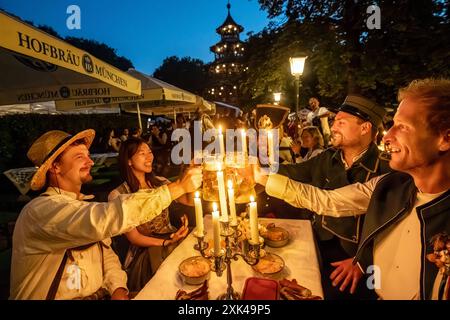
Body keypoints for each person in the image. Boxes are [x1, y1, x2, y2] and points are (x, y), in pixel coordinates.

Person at [255, 78, 450, 300]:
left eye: (403, 127)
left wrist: (360, 261)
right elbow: (327, 201)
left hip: (352, 265)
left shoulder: (385, 171)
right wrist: (258, 174)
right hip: (332, 251)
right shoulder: (390, 184)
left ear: (445, 138)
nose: (386, 136)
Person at [10, 129, 201, 300]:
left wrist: (118, 287)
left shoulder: (81, 204)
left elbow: (106, 255)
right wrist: (177, 187)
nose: (91, 161)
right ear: (55, 167)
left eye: (88, 155)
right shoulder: (40, 211)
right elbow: (110, 217)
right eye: (79, 157)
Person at [268, 94, 390, 299]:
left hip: (353, 259)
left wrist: (364, 261)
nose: (333, 127)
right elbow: (293, 172)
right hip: (318, 242)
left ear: (365, 128)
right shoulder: (328, 157)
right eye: (334, 122)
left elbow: (392, 227)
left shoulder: (385, 169)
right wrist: (259, 168)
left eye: (341, 122)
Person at [108, 138, 191, 291]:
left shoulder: (160, 182)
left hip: (172, 237)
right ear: (129, 161)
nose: (149, 157)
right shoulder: (118, 195)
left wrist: (189, 174)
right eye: (142, 153)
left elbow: (188, 200)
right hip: (147, 250)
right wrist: (165, 243)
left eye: (150, 152)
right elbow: (135, 238)